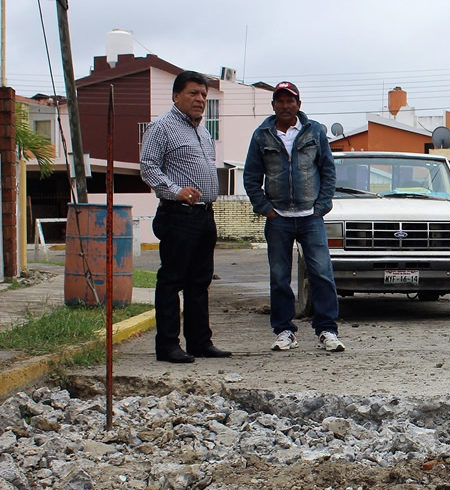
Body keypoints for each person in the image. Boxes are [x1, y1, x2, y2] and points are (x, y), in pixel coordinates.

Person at [243, 81, 345, 353]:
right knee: (279, 276)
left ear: (299, 105)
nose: (285, 106)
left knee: (322, 273)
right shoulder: (261, 135)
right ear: (274, 105)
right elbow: (251, 178)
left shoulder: (314, 132)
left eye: (291, 101)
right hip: (278, 219)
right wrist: (265, 208)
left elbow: (328, 170)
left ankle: (327, 330)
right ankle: (284, 331)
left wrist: (322, 206)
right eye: (280, 101)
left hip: (311, 217)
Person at [139, 70, 230, 364]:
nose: (200, 99)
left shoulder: (203, 132)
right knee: (172, 280)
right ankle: (167, 345)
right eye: (193, 93)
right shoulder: (161, 128)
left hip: (204, 215)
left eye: (203, 95)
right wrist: (176, 191)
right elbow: (148, 167)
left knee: (199, 282)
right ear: (176, 96)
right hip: (178, 215)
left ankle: (200, 342)